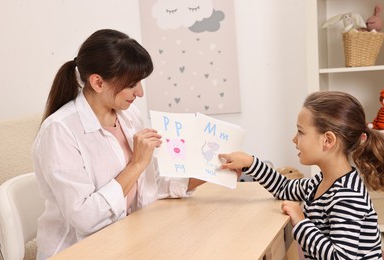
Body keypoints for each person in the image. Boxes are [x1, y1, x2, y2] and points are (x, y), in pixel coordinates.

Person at [32, 29, 205, 259]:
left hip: (126, 240)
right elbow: (85, 218)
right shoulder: (59, 131)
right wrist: (136, 164)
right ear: (98, 82)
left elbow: (146, 190)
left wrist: (208, 171)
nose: (140, 93)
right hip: (77, 251)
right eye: (132, 84)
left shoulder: (129, 116)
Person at [219, 91, 384, 259]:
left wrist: (301, 221)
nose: (294, 139)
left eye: (300, 131)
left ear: (328, 140)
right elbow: (284, 187)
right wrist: (250, 163)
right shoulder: (320, 182)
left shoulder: (348, 196)